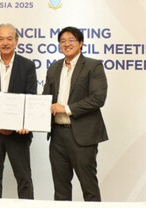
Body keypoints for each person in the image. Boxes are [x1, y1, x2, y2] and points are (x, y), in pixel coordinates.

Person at [42, 26, 108, 201]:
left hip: (82, 136)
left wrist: (67, 108)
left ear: (81, 43)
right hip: (57, 135)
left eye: (71, 40)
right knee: (61, 189)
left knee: (89, 188)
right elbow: (45, 99)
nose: (66, 44)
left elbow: (98, 98)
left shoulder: (93, 66)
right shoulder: (54, 67)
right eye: (62, 41)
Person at [0, 23, 36, 199]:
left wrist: (18, 123)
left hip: (19, 132)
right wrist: (0, 121)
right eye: (1, 38)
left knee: (24, 179)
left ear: (16, 41)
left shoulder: (27, 65)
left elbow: (30, 97)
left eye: (9, 38)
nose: (5, 43)